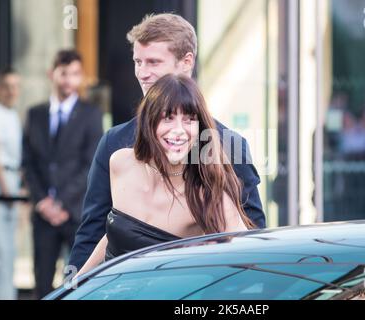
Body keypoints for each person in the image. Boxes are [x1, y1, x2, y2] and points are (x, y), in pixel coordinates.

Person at [69, 13, 266, 272]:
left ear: (186, 62)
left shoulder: (226, 144)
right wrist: (70, 286)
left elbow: (252, 236)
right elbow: (94, 231)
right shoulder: (115, 143)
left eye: (153, 62)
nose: (142, 73)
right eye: (137, 62)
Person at [76, 74, 255, 276]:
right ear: (148, 122)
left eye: (189, 119)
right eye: (168, 118)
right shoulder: (120, 163)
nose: (179, 130)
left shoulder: (208, 196)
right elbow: (116, 232)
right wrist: (76, 283)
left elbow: (250, 264)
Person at [22, 50, 103, 299]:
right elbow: (29, 163)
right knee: (42, 282)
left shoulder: (91, 114)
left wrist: (62, 204)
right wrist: (43, 203)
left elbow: (90, 164)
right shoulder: (35, 114)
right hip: (43, 215)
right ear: (52, 74)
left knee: (78, 282)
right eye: (64, 73)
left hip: (76, 213)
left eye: (75, 74)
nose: (69, 80)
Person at [0, 68, 22, 300]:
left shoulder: (13, 115)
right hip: (2, 187)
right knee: (2, 251)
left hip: (12, 182)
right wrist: (8, 193)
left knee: (9, 251)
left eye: (16, 86)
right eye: (7, 86)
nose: (12, 91)